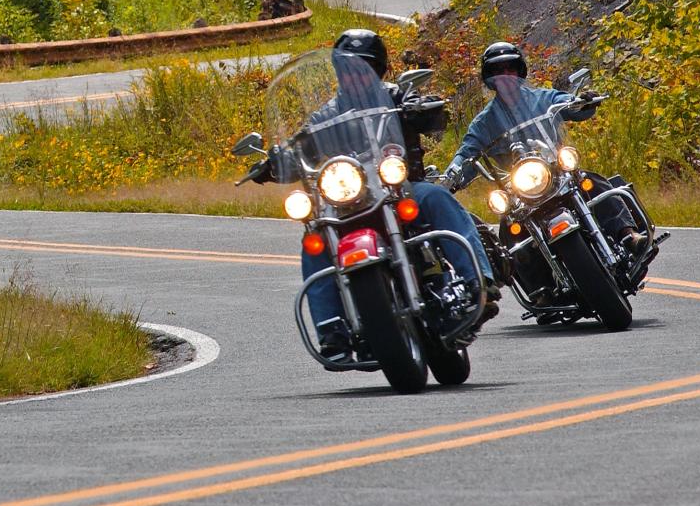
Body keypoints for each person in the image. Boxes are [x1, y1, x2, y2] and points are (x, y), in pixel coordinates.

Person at [249, 29, 497, 364]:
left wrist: (423, 107)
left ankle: (477, 278)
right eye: (347, 69)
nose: (353, 76)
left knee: (436, 197)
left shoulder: (396, 97)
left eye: (362, 68)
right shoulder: (325, 116)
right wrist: (275, 161)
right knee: (315, 238)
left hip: (399, 190)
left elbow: (434, 115)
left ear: (377, 70)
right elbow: (302, 148)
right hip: (349, 201)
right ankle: (331, 327)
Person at [442, 41, 645, 250]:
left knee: (593, 183)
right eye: (497, 71)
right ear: (489, 79)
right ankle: (536, 281)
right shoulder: (483, 123)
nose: (505, 75)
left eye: (510, 69)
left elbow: (570, 104)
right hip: (521, 192)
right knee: (508, 232)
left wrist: (584, 102)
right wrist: (450, 177)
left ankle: (628, 234)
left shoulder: (544, 98)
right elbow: (466, 153)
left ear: (520, 71)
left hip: (556, 173)